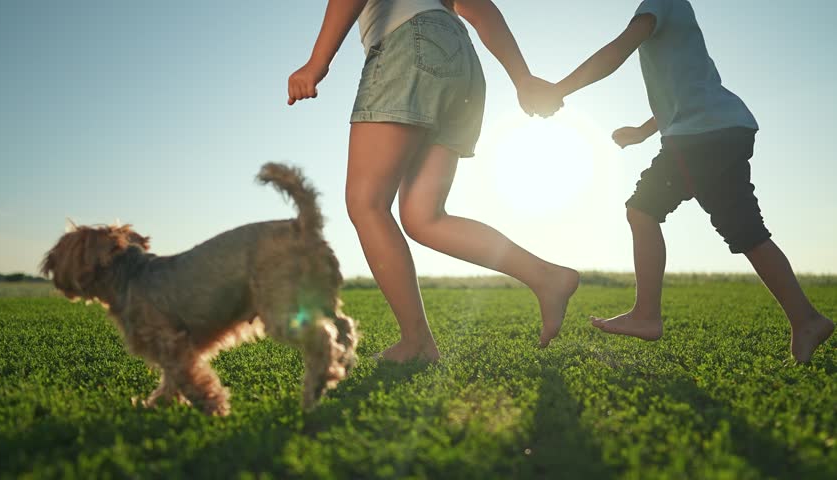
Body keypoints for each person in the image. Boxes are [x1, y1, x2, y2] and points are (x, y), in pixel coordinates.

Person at [538, 0, 833, 362]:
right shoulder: (676, 10)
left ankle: (647, 315)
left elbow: (619, 49)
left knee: (643, 210)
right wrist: (644, 132)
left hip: (699, 135)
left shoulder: (659, 3)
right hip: (726, 127)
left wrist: (558, 89)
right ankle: (806, 319)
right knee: (747, 232)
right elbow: (684, 92)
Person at [288, 0, 579, 362]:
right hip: (462, 59)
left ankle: (417, 342)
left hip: (409, 45)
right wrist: (522, 78)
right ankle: (545, 277)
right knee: (424, 218)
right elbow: (478, 7)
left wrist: (317, 64)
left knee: (367, 203)